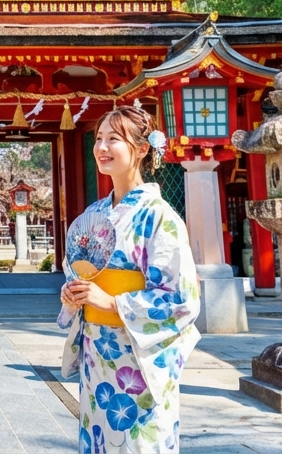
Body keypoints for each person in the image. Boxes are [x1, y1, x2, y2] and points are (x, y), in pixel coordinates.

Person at [59, 106, 200, 454]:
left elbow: (182, 299)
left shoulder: (160, 217)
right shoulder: (93, 215)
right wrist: (73, 293)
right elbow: (80, 272)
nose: (102, 147)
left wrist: (110, 302)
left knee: (139, 442)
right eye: (99, 139)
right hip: (98, 354)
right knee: (98, 441)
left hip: (137, 359)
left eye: (114, 139)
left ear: (140, 149)